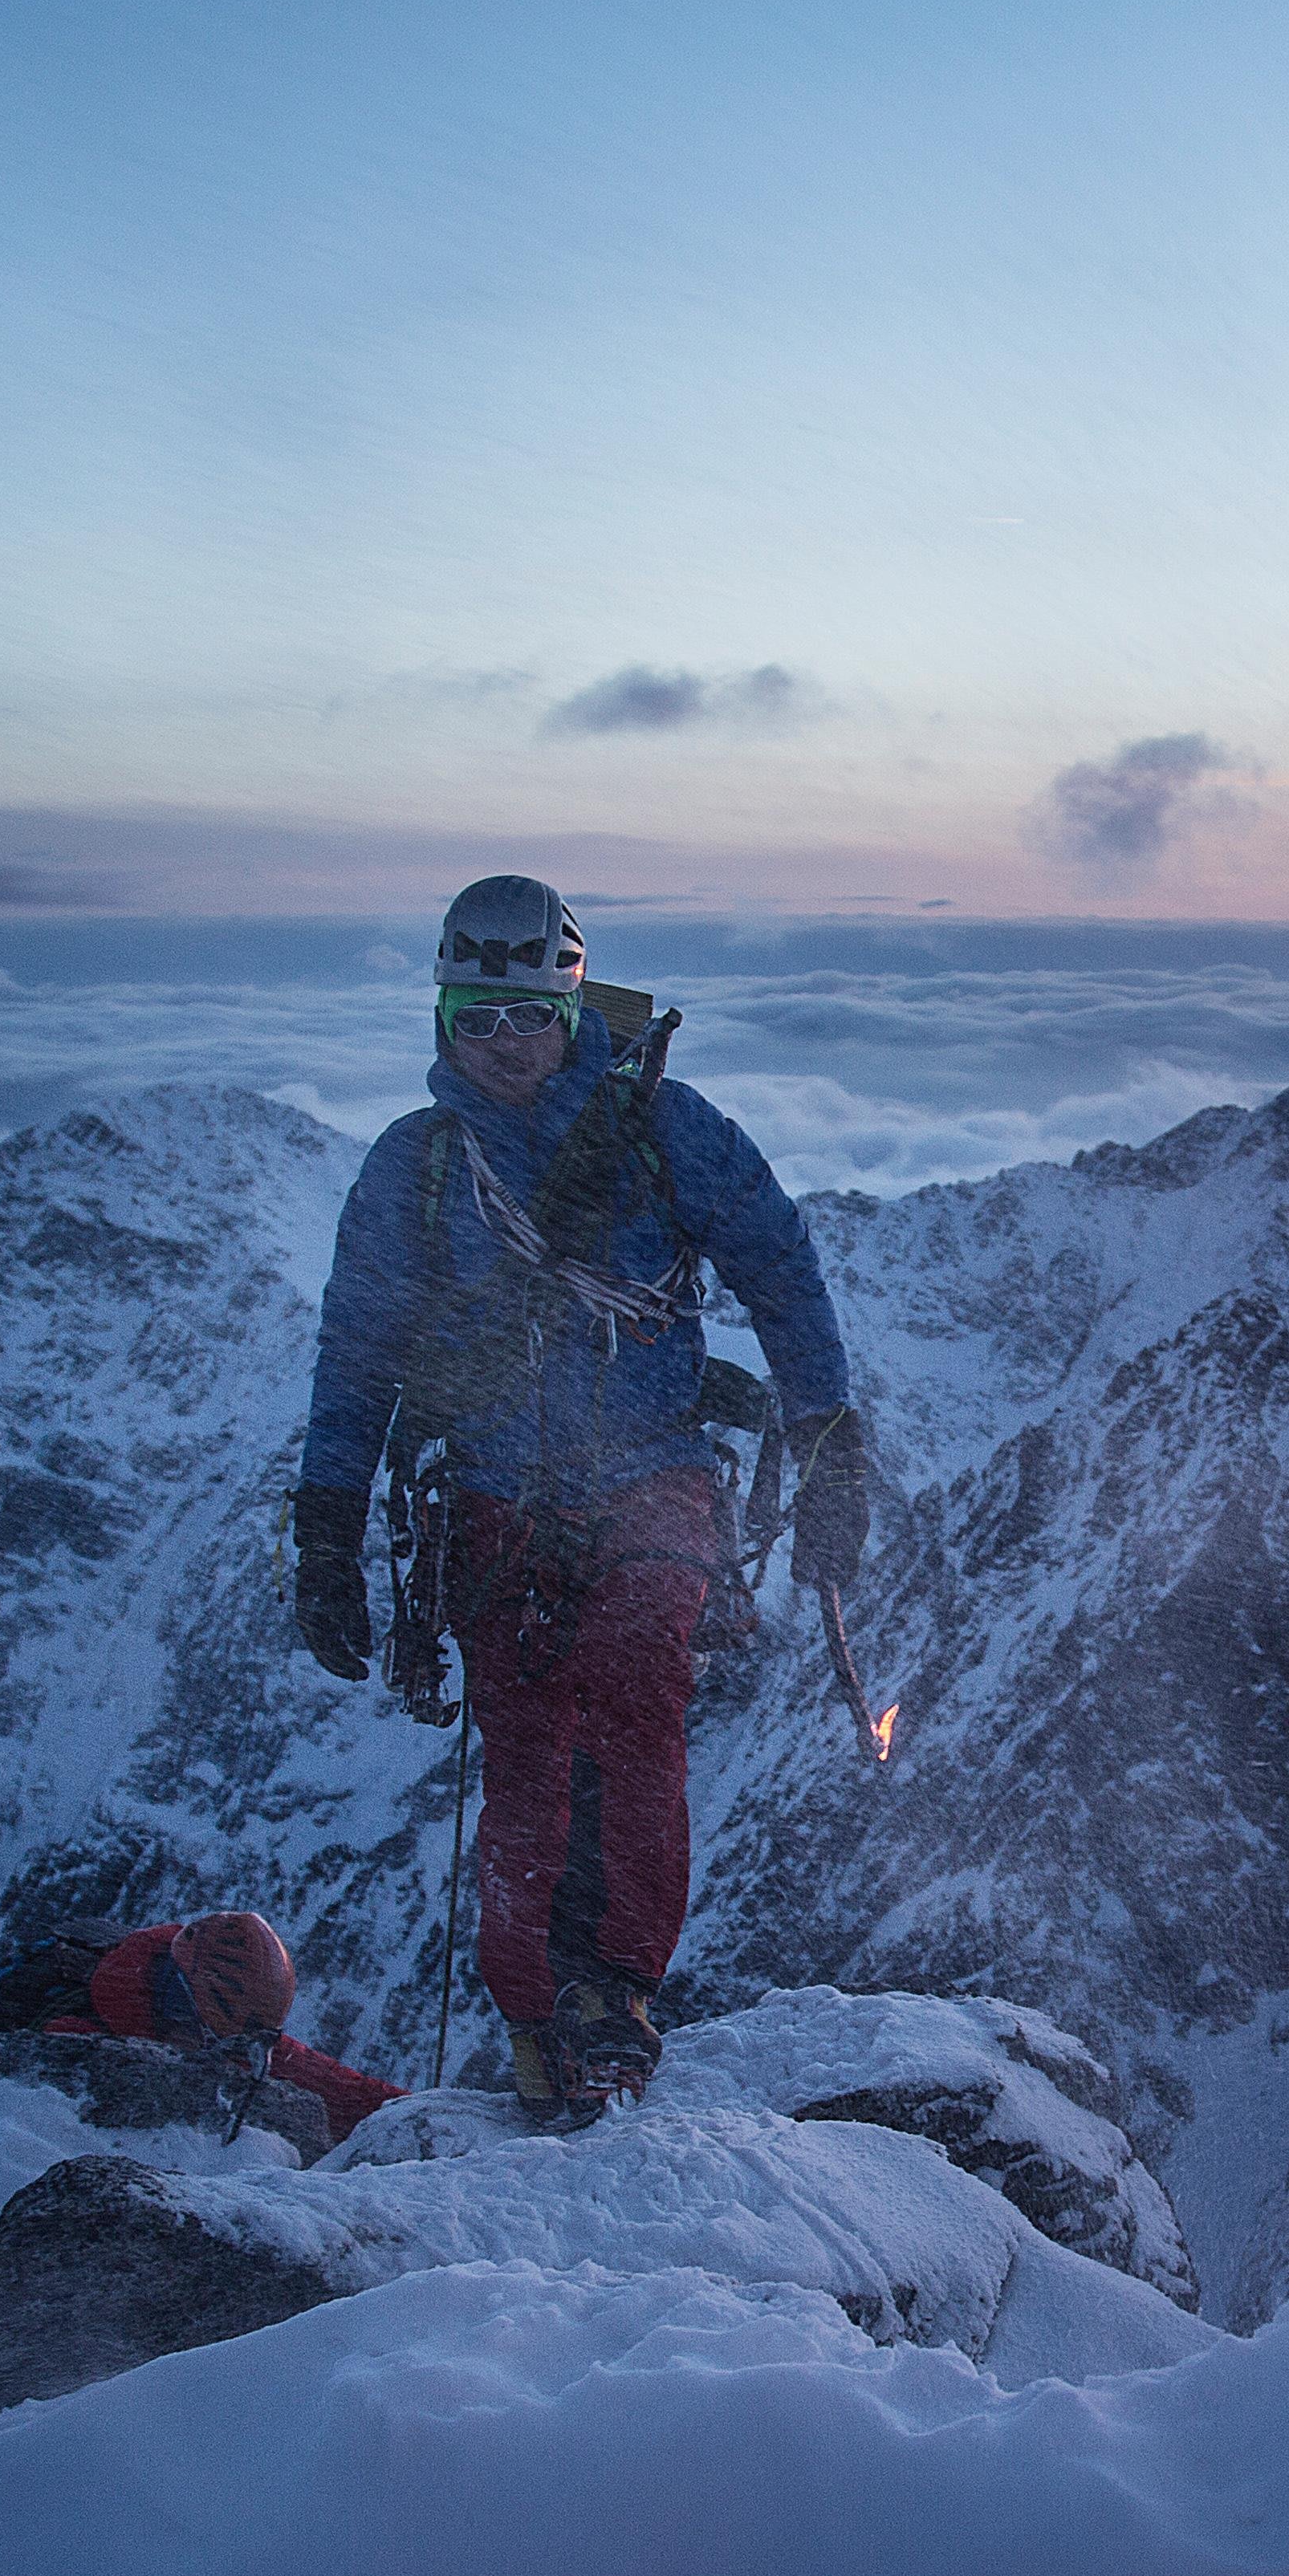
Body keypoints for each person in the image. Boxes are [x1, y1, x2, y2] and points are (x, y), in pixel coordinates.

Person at [289, 874, 865, 2120]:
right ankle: (542, 2005)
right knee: (533, 1741)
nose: (504, 1046)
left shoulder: (663, 1127)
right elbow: (359, 1351)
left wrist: (830, 1442)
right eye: (476, 1021)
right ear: (444, 1023)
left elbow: (782, 1268)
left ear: (571, 1006)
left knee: (634, 1703)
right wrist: (324, 1527)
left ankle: (608, 1994)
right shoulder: (418, 1168)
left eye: (526, 1018)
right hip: (500, 1499)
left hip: (648, 1476)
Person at [17, 1908, 405, 2141]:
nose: (228, 2057)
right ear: (180, 2010)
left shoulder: (228, 2029)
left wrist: (418, 2109)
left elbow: (331, 2084)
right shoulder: (75, 2048)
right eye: (214, 2041)